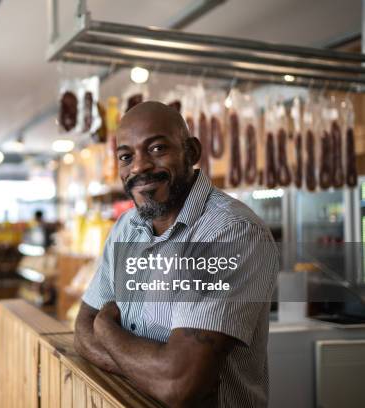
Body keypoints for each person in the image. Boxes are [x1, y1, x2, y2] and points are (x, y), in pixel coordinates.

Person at [74, 101, 279, 407]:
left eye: (157, 149)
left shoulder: (232, 233)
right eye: (126, 156)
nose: (139, 167)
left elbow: (177, 384)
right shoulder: (126, 228)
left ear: (192, 153)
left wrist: (105, 329)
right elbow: (81, 331)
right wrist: (148, 373)